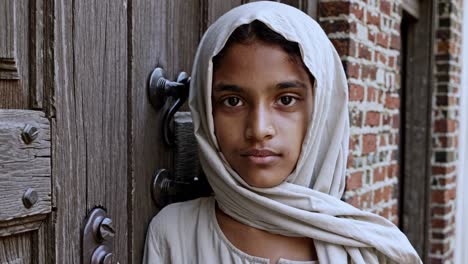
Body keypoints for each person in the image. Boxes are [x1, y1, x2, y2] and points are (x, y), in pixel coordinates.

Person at [143, 2, 422, 263]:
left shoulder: (370, 250)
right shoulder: (174, 236)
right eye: (233, 101)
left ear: (322, 113)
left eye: (286, 100)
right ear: (207, 110)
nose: (259, 129)